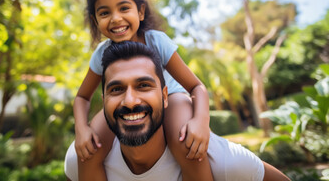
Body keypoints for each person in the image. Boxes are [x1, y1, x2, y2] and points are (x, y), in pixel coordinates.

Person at [65, 41, 290, 181]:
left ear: (165, 96)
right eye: (117, 89)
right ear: (103, 100)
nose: (130, 101)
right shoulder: (82, 160)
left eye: (143, 85)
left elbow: (196, 87)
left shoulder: (224, 164)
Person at [73, 0, 212, 180]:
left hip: (170, 97)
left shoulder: (157, 41)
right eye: (104, 13)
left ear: (140, 11)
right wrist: (81, 129)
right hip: (125, 104)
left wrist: (201, 121)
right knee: (88, 152)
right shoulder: (101, 54)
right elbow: (81, 97)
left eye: (124, 8)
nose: (116, 18)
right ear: (95, 20)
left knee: (188, 146)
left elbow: (196, 87)